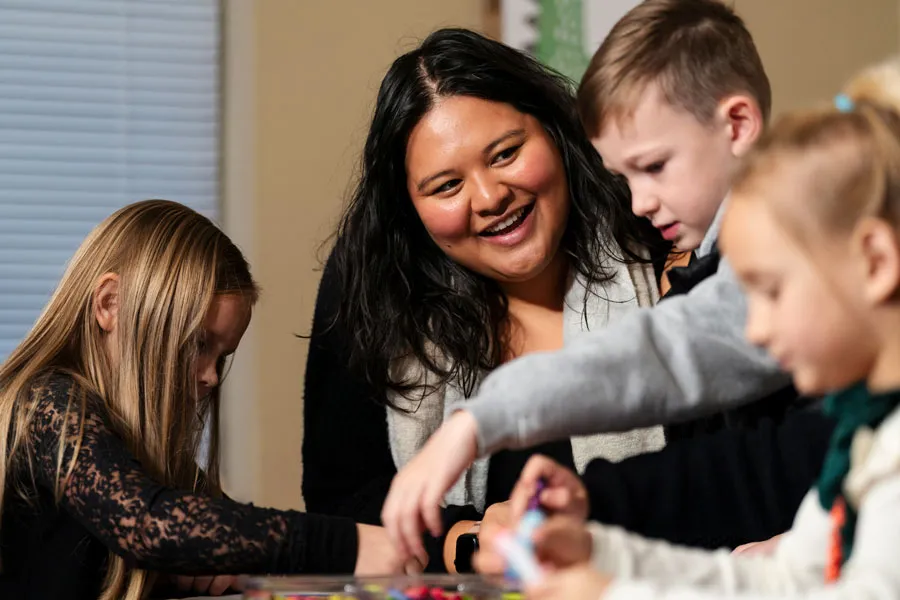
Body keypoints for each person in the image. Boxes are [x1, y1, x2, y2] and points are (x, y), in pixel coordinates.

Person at [380, 0, 825, 560]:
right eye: (625, 176)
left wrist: (481, 425)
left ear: (737, 124)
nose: (640, 201)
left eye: (655, 166)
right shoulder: (729, 255)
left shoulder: (805, 241)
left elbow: (664, 358)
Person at [483, 55, 900, 600]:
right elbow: (782, 581)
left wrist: (608, 594)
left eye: (771, 292)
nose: (754, 331)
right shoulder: (866, 433)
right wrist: (600, 554)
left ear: (874, 261)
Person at [302, 27, 671, 573]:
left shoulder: (661, 232)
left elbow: (739, 471)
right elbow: (341, 504)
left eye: (505, 154)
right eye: (446, 186)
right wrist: (467, 541)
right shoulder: (373, 285)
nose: (490, 196)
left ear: (555, 133)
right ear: (411, 209)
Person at [0, 200, 411, 600]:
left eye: (223, 356)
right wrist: (350, 544)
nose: (211, 376)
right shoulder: (43, 403)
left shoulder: (134, 451)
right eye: (198, 343)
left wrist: (220, 558)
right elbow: (147, 524)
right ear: (110, 304)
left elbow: (224, 530)